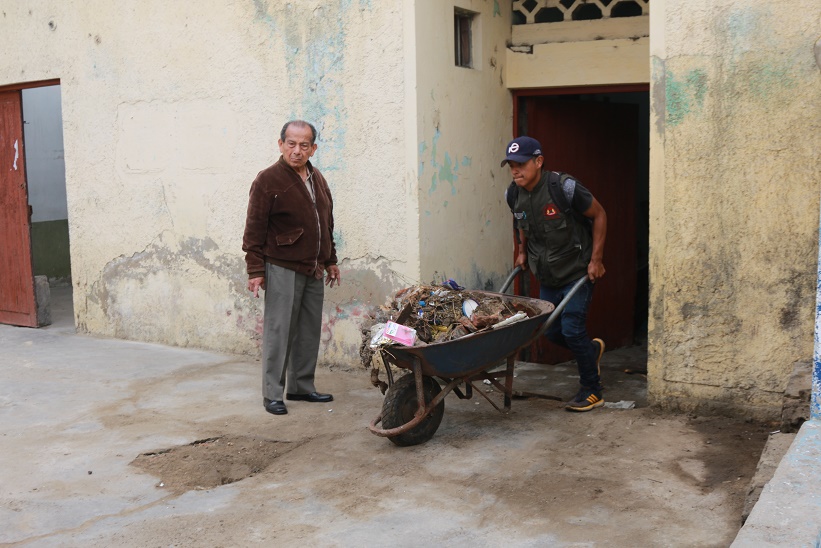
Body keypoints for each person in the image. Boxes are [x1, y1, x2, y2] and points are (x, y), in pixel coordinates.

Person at [501, 136, 608, 412]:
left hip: (576, 270)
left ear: (538, 161)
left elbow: (599, 215)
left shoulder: (564, 188)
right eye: (511, 165)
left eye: (521, 164)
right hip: (547, 273)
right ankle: (590, 351)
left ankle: (592, 389)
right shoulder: (513, 194)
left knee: (572, 329)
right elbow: (522, 222)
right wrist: (522, 251)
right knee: (551, 332)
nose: (515, 170)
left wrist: (596, 260)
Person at [242, 120, 341, 416]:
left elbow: (326, 223)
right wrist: (255, 270)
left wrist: (331, 260)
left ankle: (301, 386)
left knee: (308, 329)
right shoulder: (268, 179)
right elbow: (253, 229)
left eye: (304, 145)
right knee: (279, 330)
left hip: (314, 267)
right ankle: (272, 393)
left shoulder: (317, 178)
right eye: (291, 144)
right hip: (281, 265)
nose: (297, 151)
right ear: (281, 144)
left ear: (313, 148)